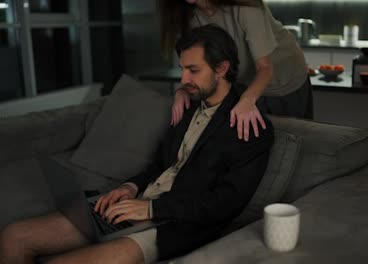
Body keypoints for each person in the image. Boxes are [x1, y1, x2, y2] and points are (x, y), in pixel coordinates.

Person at [0, 24, 274, 264]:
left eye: (193, 70)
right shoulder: (189, 106)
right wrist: (129, 187)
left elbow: (225, 204)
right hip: (140, 204)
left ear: (222, 68)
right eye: (182, 69)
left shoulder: (247, 125)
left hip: (175, 224)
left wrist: (152, 209)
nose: (183, 80)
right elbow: (161, 165)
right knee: (13, 238)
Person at [160, 0, 312, 142]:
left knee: (292, 142)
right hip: (244, 84)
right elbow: (194, 63)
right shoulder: (188, 15)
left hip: (284, 80)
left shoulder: (246, 5)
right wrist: (183, 91)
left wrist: (247, 99)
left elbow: (265, 68)